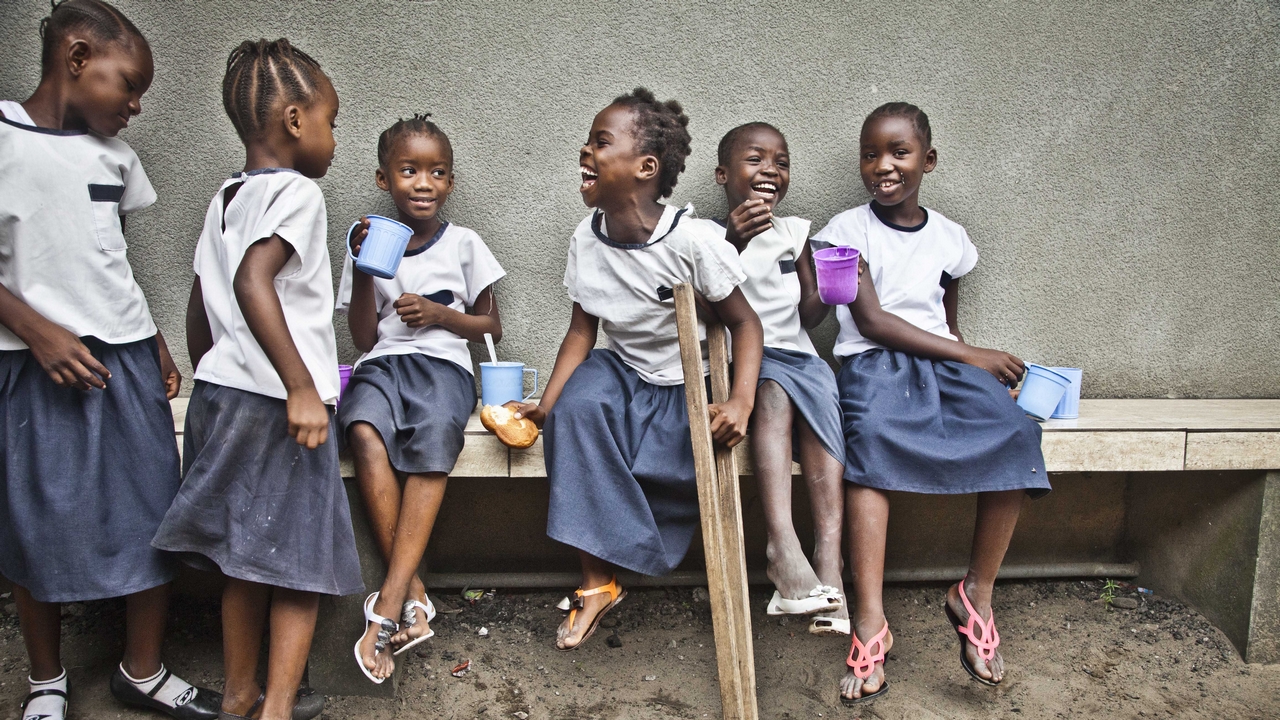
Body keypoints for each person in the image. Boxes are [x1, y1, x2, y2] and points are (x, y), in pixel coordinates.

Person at [0, 2, 222, 719]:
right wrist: (37, 330)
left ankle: (144, 669)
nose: (133, 106)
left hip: (121, 358)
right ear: (75, 58)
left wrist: (153, 336)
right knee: (35, 515)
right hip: (34, 362)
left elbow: (110, 258)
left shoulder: (115, 158)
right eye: (127, 85)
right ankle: (45, 680)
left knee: (150, 505)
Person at [150, 39, 361, 720]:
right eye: (332, 118)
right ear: (297, 121)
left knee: (244, 562)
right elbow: (251, 282)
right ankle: (274, 710)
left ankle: (239, 695)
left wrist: (214, 366)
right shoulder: (298, 194)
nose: (334, 136)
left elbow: (202, 298)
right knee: (299, 569)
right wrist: (303, 387)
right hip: (278, 408)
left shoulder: (227, 197)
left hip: (224, 397)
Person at [815, 102, 1050, 704]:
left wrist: (974, 366)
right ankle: (870, 621)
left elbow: (946, 322)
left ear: (929, 159)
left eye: (899, 152)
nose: (883, 166)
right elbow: (870, 319)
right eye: (871, 154)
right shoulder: (846, 230)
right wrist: (977, 357)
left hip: (945, 363)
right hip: (872, 363)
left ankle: (976, 593)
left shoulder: (951, 238)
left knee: (1018, 435)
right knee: (869, 453)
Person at [514, 88, 764, 650]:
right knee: (577, 406)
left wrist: (742, 400)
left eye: (601, 142)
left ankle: (635, 553)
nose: (586, 149)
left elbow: (747, 326)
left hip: (686, 382)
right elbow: (583, 330)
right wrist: (545, 407)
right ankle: (596, 581)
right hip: (625, 373)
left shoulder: (693, 241)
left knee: (671, 452)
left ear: (646, 167)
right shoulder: (586, 238)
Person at [339, 115, 505, 683]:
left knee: (435, 438)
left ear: (451, 182)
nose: (424, 183)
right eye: (409, 171)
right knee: (362, 430)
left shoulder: (465, 243)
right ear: (384, 179)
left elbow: (491, 325)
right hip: (383, 366)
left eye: (437, 172)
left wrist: (439, 315)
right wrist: (365, 271)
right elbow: (363, 338)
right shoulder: (368, 244)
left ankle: (387, 606)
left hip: (444, 369)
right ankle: (411, 594)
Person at [688, 122, 849, 634]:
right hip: (745, 363)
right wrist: (732, 240)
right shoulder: (702, 234)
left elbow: (806, 316)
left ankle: (829, 562)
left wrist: (833, 287)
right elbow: (700, 311)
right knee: (775, 394)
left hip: (800, 356)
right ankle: (782, 546)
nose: (770, 171)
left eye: (780, 162)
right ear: (722, 174)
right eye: (755, 160)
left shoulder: (794, 233)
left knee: (823, 416)